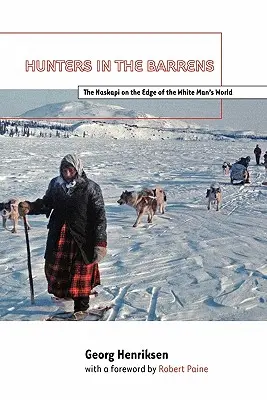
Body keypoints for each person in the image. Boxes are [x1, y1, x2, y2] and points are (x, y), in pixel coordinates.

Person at [18, 154, 107, 320]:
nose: (67, 173)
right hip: (59, 234)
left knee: (81, 271)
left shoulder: (90, 188)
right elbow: (47, 203)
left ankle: (81, 307)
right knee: (57, 268)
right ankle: (66, 296)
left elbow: (99, 216)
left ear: (78, 169)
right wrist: (30, 206)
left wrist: (100, 242)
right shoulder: (55, 184)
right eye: (64, 169)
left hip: (83, 237)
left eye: (70, 169)